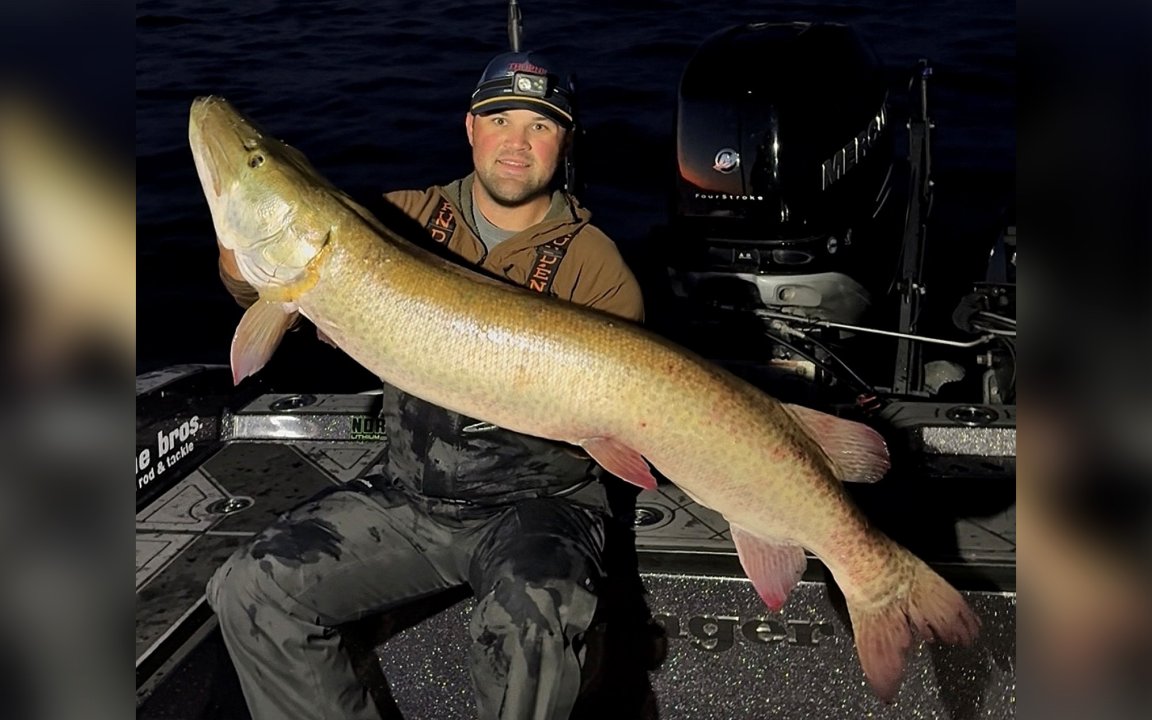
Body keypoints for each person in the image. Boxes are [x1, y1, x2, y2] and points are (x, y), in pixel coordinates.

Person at [207, 50, 648, 720]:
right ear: (471, 127)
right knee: (252, 589)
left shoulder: (597, 266)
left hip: (541, 503)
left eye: (541, 125)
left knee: (539, 620)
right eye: (501, 118)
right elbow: (258, 287)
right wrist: (240, 257)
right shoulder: (401, 219)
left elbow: (628, 421)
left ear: (565, 142)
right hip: (413, 495)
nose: (516, 143)